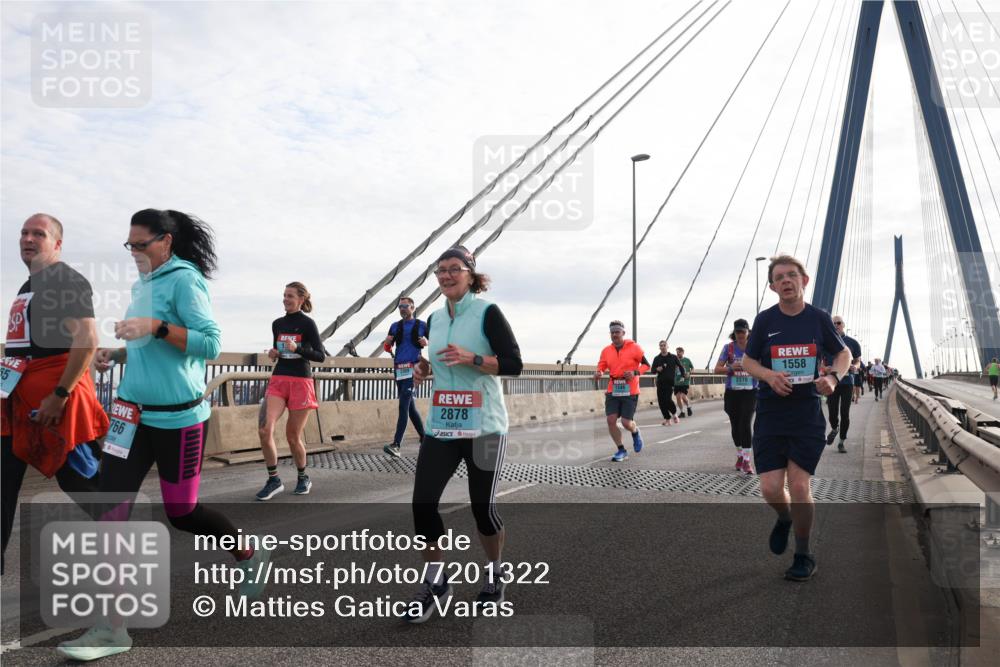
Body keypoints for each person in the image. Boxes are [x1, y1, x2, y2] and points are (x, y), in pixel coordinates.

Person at [60, 209, 269, 660]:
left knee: (183, 513)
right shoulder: (142, 284)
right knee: (109, 513)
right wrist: (120, 353)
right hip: (131, 417)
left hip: (178, 420)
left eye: (141, 245)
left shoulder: (185, 280)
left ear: (166, 242)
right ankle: (112, 629)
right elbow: (149, 345)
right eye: (129, 245)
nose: (134, 253)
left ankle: (248, 552)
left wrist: (155, 327)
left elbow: (210, 344)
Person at [407, 246, 522, 623]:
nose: (446, 275)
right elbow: (440, 360)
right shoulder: (434, 318)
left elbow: (514, 364)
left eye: (454, 268)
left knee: (482, 509)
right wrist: (425, 368)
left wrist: (474, 359)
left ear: (471, 274)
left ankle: (495, 573)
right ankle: (436, 582)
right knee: (423, 505)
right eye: (440, 270)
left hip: (485, 426)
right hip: (443, 424)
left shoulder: (488, 313)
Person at [2, 214, 107, 574]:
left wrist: (60, 395)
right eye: (24, 233)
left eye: (39, 234)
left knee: (82, 483)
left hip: (55, 406)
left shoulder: (65, 279)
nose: (28, 239)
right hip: (18, 403)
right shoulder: (28, 284)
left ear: (57, 244)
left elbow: (87, 339)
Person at [740, 255, 849, 582]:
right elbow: (748, 362)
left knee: (800, 486)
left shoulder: (819, 318)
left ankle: (803, 554)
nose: (786, 280)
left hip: (805, 414)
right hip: (771, 414)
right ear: (773, 287)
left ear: (804, 280)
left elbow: (843, 353)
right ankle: (785, 517)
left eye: (791, 275)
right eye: (779, 277)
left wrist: (833, 378)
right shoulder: (765, 321)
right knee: (770, 488)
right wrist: (769, 375)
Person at [255, 282, 325, 500]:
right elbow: (279, 351)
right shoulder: (277, 324)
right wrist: (274, 353)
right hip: (279, 379)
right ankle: (274, 480)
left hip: (301, 382)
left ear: (301, 299)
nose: (285, 299)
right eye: (284, 295)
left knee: (292, 436)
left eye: (290, 296)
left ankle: (303, 477)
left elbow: (320, 356)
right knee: (265, 429)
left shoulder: (308, 324)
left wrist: (299, 349)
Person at [594, 321, 649, 462]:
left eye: (617, 332)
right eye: (612, 332)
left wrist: (635, 372)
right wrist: (599, 372)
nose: (614, 335)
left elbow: (647, 365)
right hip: (613, 388)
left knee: (626, 423)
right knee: (611, 420)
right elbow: (602, 365)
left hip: (630, 390)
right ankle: (621, 450)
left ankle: (635, 431)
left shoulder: (634, 347)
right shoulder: (606, 350)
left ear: (623, 333)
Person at [382, 296, 428, 457]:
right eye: (400, 307)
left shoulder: (422, 325)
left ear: (413, 308)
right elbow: (387, 346)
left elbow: (434, 343)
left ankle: (396, 444)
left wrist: (426, 342)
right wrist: (387, 343)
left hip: (413, 369)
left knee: (403, 406)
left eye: (405, 306)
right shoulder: (394, 326)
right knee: (410, 407)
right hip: (399, 369)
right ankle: (424, 438)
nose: (402, 309)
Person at [713, 319, 757, 474]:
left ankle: (747, 460)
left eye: (742, 332)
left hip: (750, 391)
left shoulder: (755, 347)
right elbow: (717, 369)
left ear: (748, 332)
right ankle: (739, 454)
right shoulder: (729, 348)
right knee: (735, 425)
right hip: (733, 392)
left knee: (745, 423)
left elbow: (764, 366)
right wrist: (731, 367)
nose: (740, 335)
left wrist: (751, 368)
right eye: (737, 332)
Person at [823, 316, 862, 453]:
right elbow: (820, 363)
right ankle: (835, 428)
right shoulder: (826, 341)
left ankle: (841, 441)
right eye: (833, 323)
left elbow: (858, 361)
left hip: (847, 383)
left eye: (838, 323)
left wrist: (855, 367)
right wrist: (825, 369)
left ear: (843, 325)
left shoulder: (853, 343)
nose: (836, 325)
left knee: (845, 413)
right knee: (832, 413)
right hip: (832, 382)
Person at [651, 340, 685, 425]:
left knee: (667, 400)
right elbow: (652, 370)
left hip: (670, 383)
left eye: (664, 345)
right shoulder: (657, 358)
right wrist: (657, 369)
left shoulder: (673, 357)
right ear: (659, 347)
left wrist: (683, 376)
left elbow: (681, 367)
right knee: (661, 402)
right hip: (660, 383)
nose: (663, 347)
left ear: (667, 346)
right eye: (661, 346)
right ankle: (667, 418)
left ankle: (674, 414)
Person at [674, 346, 694, 417]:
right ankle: (682, 412)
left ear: (682, 352)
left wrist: (689, 373)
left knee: (683, 396)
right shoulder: (675, 361)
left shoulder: (687, 360)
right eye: (677, 352)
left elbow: (692, 368)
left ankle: (688, 406)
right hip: (676, 381)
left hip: (685, 381)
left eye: (679, 352)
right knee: (678, 397)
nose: (678, 353)